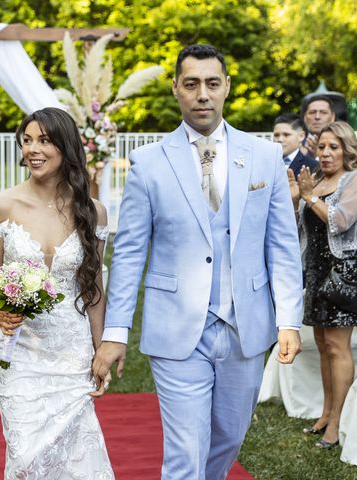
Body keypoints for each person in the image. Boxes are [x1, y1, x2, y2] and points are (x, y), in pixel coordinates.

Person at [92, 44, 303, 479]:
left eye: (211, 83)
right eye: (191, 84)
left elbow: (281, 244)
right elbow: (129, 253)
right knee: (185, 451)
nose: (202, 94)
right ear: (176, 90)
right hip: (176, 330)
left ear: (226, 87)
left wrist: (289, 320)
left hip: (245, 326)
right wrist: (115, 333)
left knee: (228, 438)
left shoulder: (264, 156)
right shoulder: (148, 164)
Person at [0, 107, 114, 479]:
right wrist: (1, 310)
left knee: (76, 454)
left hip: (72, 352)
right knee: (26, 456)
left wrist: (101, 347)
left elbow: (94, 288)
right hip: (20, 350)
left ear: (66, 147)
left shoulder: (94, 211)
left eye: (44, 140)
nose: (33, 149)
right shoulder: (0, 206)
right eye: (27, 140)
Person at [289, 121, 357, 449]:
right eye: (321, 147)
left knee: (338, 348)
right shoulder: (318, 181)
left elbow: (340, 221)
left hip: (343, 275)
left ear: (347, 150)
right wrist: (297, 198)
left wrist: (309, 198)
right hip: (316, 272)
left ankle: (338, 422)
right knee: (323, 347)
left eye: (333, 147)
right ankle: (326, 411)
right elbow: (302, 227)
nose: (325, 153)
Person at [273, 112, 318, 178]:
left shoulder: (313, 166)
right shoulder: (266, 164)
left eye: (286, 135)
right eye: (276, 135)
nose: (280, 139)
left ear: (301, 136)